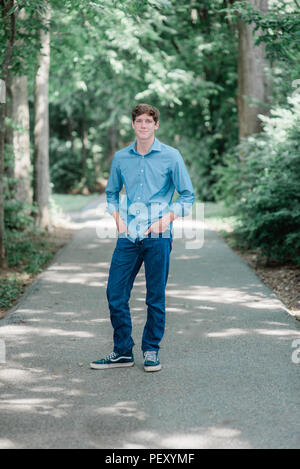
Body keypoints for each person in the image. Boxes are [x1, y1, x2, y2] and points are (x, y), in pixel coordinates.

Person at [90, 103, 194, 372]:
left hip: (159, 235)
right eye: (140, 121)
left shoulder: (172, 156)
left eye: (149, 121)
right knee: (115, 293)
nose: (144, 125)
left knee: (154, 296)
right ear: (133, 125)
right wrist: (116, 218)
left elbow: (187, 195)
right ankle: (123, 351)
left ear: (156, 125)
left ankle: (151, 350)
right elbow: (112, 192)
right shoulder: (121, 158)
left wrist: (167, 219)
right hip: (128, 236)